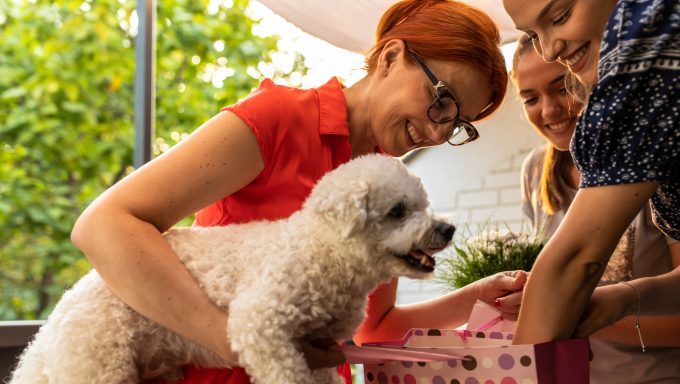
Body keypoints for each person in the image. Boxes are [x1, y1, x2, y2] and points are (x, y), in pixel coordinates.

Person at [71, 1, 523, 383]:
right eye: (440, 100)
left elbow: (377, 329)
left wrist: (476, 297)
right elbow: (104, 225)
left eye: (458, 124)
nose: (439, 132)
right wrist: (237, 338)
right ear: (390, 57)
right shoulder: (278, 119)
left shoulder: (388, 186)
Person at [500, 0, 680, 345]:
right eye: (533, 34)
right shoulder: (538, 171)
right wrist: (625, 297)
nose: (550, 50)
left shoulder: (651, 37)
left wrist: (519, 368)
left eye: (560, 16)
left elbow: (576, 260)